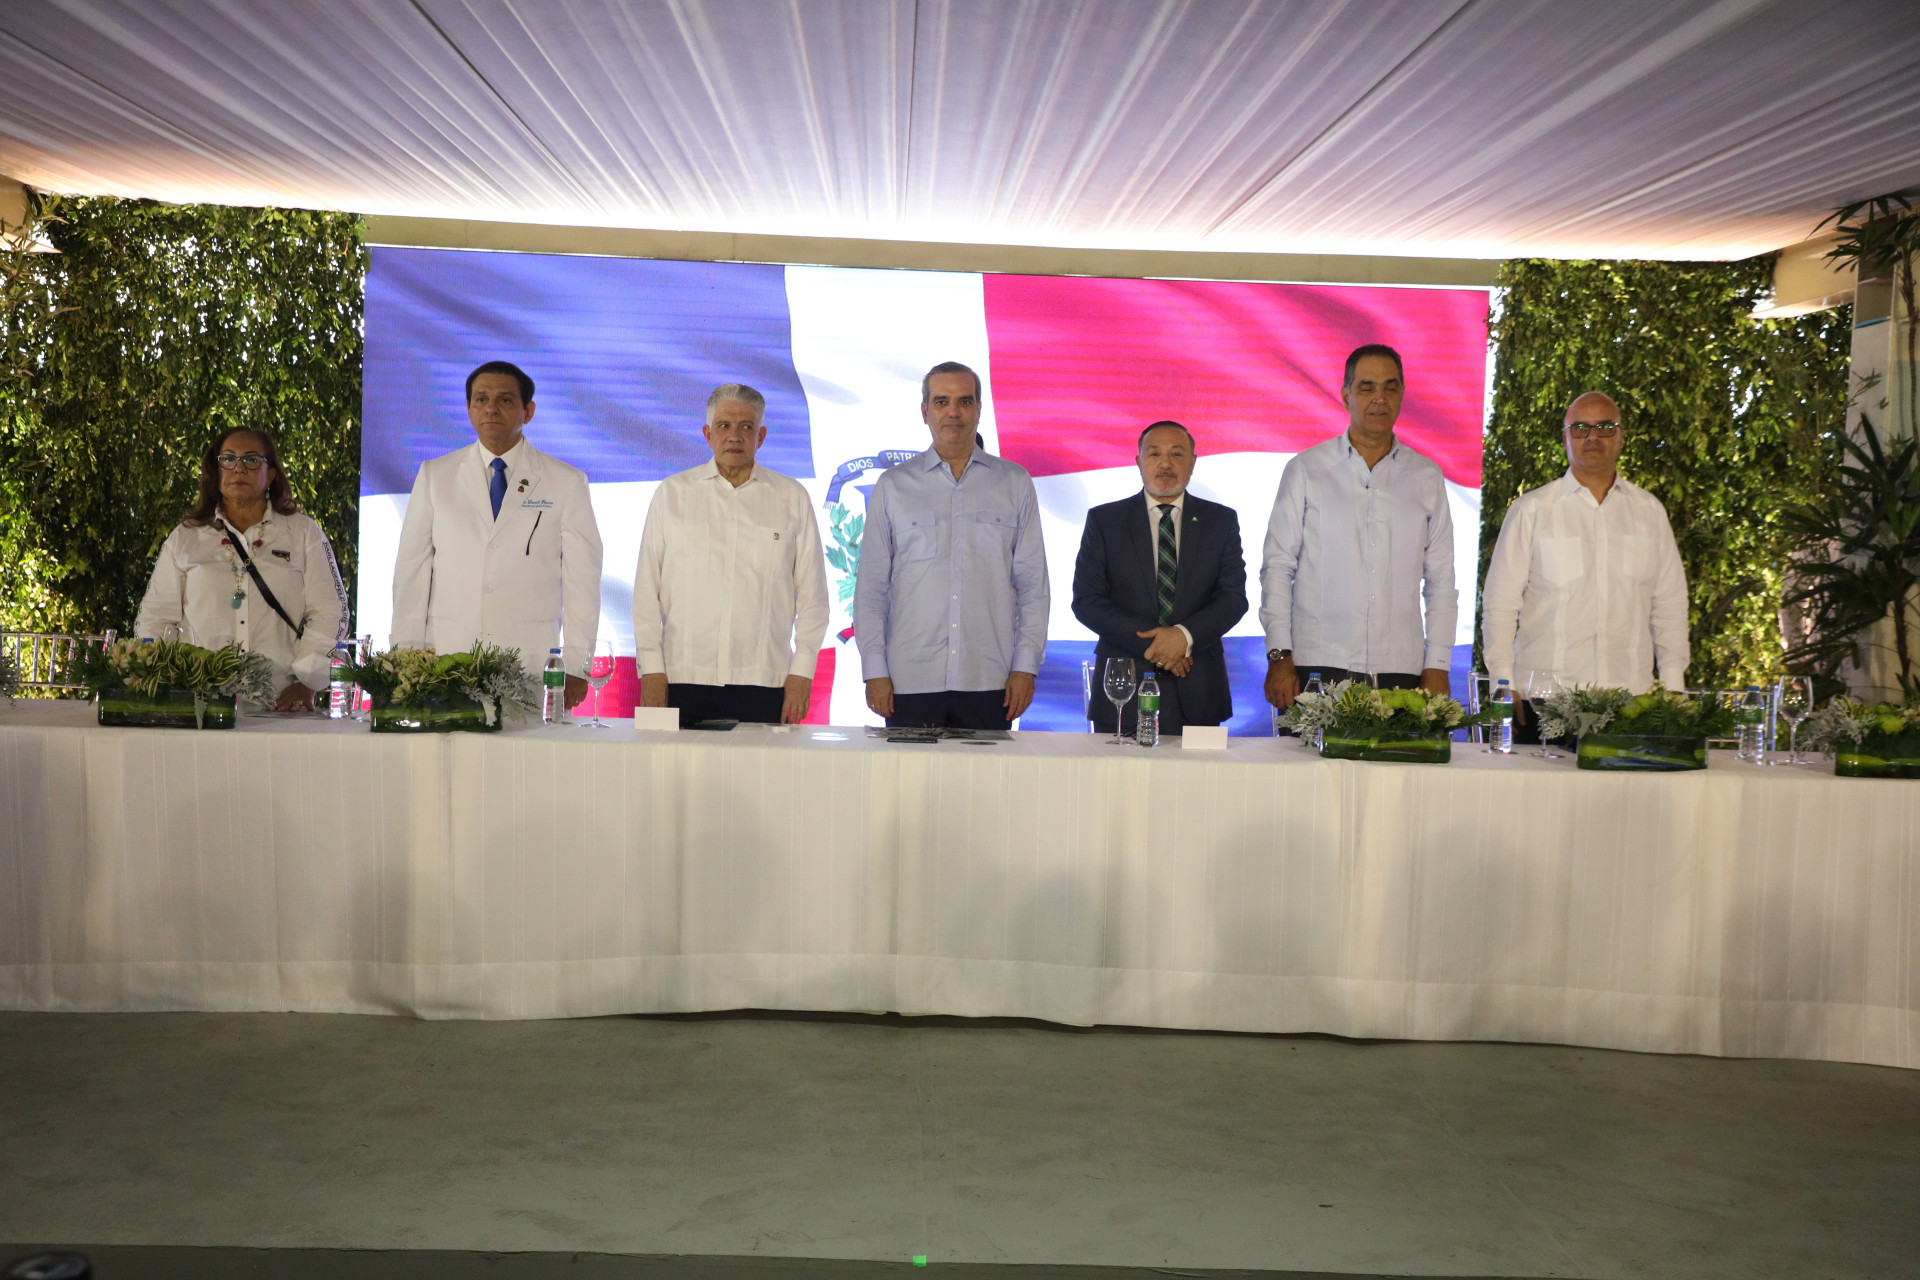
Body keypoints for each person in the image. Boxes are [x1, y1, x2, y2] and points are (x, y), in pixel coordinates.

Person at [391, 360, 602, 703]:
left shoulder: (566, 482)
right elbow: (411, 573)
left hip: (529, 663)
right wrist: (406, 655)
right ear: (469, 409)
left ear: (528, 411)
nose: (490, 408)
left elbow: (583, 583)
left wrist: (578, 666)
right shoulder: (435, 476)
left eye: (505, 400)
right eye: (481, 399)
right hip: (447, 659)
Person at [1481, 391, 1689, 739]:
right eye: (1580, 428)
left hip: (1631, 703)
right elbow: (1499, 605)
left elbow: (1669, 606)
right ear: (1565, 438)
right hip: (1544, 702)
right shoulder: (1531, 511)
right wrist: (1503, 682)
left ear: (1620, 437)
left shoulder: (1649, 512)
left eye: (1604, 427)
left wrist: (1673, 686)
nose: (1592, 437)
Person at [854, 360, 1049, 729]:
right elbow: (871, 589)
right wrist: (874, 670)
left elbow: (1033, 587)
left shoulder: (1015, 483)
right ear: (924, 411)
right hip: (908, 680)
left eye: (965, 401)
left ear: (979, 409)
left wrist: (1026, 667)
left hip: (991, 679)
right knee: (909, 771)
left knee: (988, 771)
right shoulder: (893, 486)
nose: (953, 412)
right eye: (942, 401)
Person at [1261, 343, 1456, 710]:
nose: (1379, 398)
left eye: (1390, 387)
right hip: (1317, 665)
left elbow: (1441, 580)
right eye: (1366, 387)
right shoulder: (1306, 470)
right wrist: (1279, 654)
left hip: (1402, 670)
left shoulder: (1426, 477)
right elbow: (1278, 567)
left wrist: (1438, 663)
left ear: (1402, 394)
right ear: (1346, 395)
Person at [632, 384, 829, 724]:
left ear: (761, 436)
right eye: (724, 426)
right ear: (708, 434)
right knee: (664, 762)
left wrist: (802, 672)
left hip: (766, 682)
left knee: (766, 763)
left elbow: (814, 597)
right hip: (680, 678)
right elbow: (647, 592)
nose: (734, 436)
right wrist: (651, 668)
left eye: (746, 427)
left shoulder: (792, 498)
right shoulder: (672, 494)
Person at [135, 426, 349, 710]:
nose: (239, 468)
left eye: (251, 459)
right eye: (228, 459)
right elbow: (155, 618)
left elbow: (331, 610)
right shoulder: (185, 537)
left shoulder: (303, 533)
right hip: (202, 706)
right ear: (216, 472)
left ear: (270, 474)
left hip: (281, 705)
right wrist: (168, 681)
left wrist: (307, 681)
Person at [1072, 420, 1247, 735]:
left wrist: (1183, 637)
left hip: (1199, 689)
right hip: (1123, 689)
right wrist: (1160, 645)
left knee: (1201, 770)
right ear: (1139, 462)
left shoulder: (1220, 521)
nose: (1165, 464)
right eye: (1154, 454)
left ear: (1193, 462)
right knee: (1118, 770)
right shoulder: (1105, 521)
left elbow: (1233, 599)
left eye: (1177, 454)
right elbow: (1087, 601)